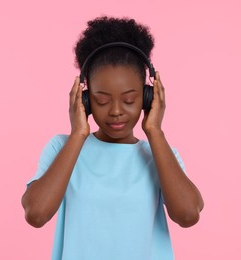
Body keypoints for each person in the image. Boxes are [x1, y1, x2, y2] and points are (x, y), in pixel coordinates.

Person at [21, 16, 204, 260]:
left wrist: (155, 132)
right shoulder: (61, 148)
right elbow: (36, 214)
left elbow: (188, 215)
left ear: (148, 97)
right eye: (102, 100)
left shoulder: (158, 156)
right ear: (84, 100)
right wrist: (78, 134)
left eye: (129, 100)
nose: (116, 110)